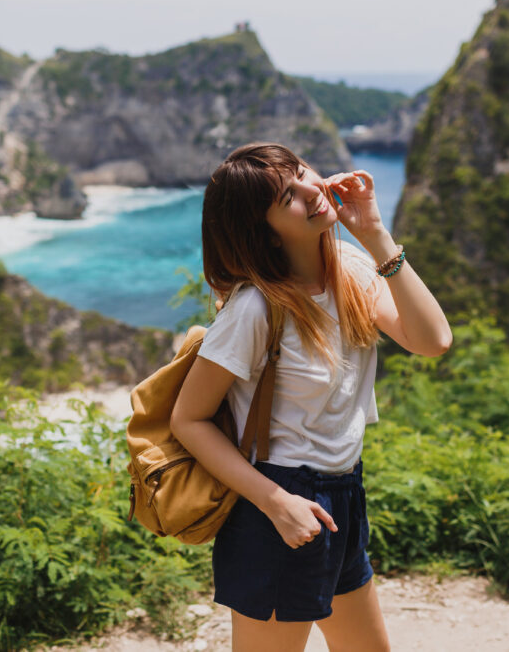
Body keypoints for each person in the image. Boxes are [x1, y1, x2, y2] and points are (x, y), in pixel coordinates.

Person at [171, 143, 451, 651]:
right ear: (266, 232)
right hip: (279, 500)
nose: (310, 190)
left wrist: (374, 234)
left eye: (302, 173)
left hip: (343, 493)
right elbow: (187, 420)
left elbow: (433, 341)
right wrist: (277, 504)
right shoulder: (255, 308)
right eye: (287, 196)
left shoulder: (349, 268)